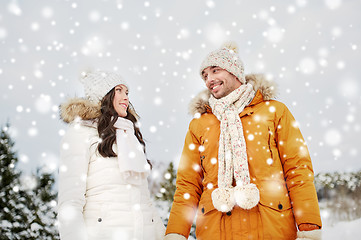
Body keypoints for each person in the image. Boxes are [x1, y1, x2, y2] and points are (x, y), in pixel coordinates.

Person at [164, 42, 322, 240]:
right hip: (216, 230)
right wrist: (176, 234)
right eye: (205, 75)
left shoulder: (274, 112)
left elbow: (298, 171)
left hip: (271, 229)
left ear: (234, 72)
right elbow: (188, 185)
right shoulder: (199, 125)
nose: (209, 79)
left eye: (215, 70)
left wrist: (309, 227)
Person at [58, 70, 165, 240]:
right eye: (119, 91)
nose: (126, 98)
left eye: (127, 92)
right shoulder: (80, 134)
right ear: (103, 96)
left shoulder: (128, 136)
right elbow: (70, 202)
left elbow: (145, 201)